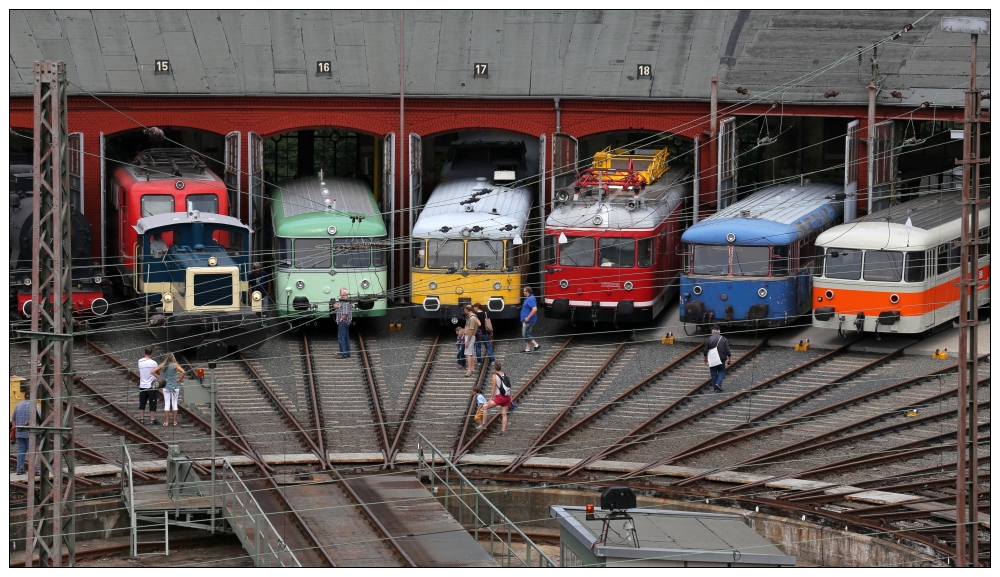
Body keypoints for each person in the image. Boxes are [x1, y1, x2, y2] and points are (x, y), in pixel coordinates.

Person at [478, 362, 512, 435]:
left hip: (500, 396)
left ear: (494, 368)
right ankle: (503, 431)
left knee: (485, 406)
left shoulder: (494, 376)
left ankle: (484, 424)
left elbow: (493, 388)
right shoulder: (504, 374)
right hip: (507, 397)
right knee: (504, 414)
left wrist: (491, 398)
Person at [153, 353, 184, 426]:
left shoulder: (162, 365)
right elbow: (183, 372)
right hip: (175, 386)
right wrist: (179, 379)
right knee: (174, 403)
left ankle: (166, 422)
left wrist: (160, 378)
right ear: (173, 357)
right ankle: (175, 422)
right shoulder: (175, 365)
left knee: (167, 403)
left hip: (166, 386)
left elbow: (153, 372)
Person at [12, 389, 37, 475]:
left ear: (24, 396)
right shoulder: (35, 406)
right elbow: (40, 419)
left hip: (20, 433)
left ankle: (19, 469)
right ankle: (34, 470)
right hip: (32, 434)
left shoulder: (18, 405)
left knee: (21, 451)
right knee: (33, 452)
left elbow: (13, 419)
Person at [703, 325, 732, 392]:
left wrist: (705, 358)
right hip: (721, 358)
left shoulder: (709, 339)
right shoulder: (723, 338)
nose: (711, 331)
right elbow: (727, 349)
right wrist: (730, 358)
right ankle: (718, 384)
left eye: (711, 330)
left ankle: (716, 388)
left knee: (713, 373)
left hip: (712, 358)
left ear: (714, 331)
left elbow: (705, 350)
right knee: (722, 371)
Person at [138, 347, 159, 424]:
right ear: (151, 353)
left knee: (142, 402)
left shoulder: (139, 361)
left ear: (144, 352)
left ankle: (142, 418)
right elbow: (157, 372)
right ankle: (152, 419)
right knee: (152, 402)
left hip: (142, 385)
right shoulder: (154, 363)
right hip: (151, 385)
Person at [473, 303, 496, 367]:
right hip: (485, 332)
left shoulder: (475, 315)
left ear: (477, 307)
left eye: (474, 307)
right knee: (488, 347)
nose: (474, 308)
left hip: (478, 333)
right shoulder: (485, 313)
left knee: (478, 347)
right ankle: (492, 360)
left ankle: (479, 362)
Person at [334, 287, 352, 358]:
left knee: (341, 338)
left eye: (341, 294)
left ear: (344, 295)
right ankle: (348, 353)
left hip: (343, 322)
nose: (340, 295)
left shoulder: (345, 303)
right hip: (347, 322)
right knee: (346, 338)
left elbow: (345, 313)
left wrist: (340, 319)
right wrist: (336, 306)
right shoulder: (347, 301)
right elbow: (335, 305)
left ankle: (343, 354)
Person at [520, 286, 540, 353]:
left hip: (528, 320)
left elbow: (534, 309)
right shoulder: (528, 298)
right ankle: (527, 349)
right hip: (526, 320)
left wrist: (528, 317)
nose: (523, 292)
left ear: (527, 292)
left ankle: (536, 345)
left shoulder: (530, 299)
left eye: (524, 291)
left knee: (526, 334)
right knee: (527, 333)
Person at [463, 304, 480, 377]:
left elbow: (471, 330)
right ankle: (472, 368)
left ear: (467, 310)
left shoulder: (472, 318)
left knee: (468, 354)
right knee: (471, 353)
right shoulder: (473, 317)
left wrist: (467, 341)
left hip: (470, 337)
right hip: (471, 336)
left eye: (464, 309)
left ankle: (469, 370)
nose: (464, 310)